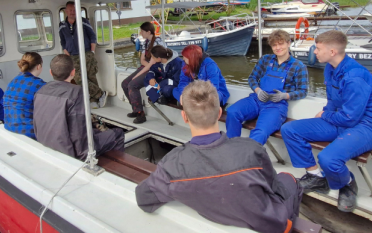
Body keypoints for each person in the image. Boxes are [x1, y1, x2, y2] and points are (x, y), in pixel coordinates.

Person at [135, 80, 302, 232]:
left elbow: (143, 198)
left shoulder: (171, 165)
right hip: (272, 225)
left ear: (184, 117)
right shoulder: (252, 150)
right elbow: (274, 190)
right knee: (288, 178)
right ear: (219, 112)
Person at [281, 30, 372, 212]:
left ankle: (347, 183)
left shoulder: (355, 77)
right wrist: (327, 112)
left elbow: (350, 117)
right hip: (341, 120)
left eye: (318, 48)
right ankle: (315, 176)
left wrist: (324, 115)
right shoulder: (330, 69)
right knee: (290, 129)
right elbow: (332, 101)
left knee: (328, 158)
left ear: (332, 52)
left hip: (367, 126)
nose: (314, 52)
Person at [33, 54, 124, 160]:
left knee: (96, 132)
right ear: (73, 72)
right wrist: (83, 155)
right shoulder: (76, 92)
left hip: (46, 144)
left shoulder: (41, 91)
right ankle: (114, 170)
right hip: (69, 152)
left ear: (51, 72)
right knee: (118, 133)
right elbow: (78, 130)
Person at [225, 30, 308, 145]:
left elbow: (303, 91)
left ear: (288, 43)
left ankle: (249, 157)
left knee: (261, 131)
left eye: (281, 44)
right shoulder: (265, 59)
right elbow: (252, 78)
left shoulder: (298, 66)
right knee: (232, 111)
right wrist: (258, 90)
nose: (278, 47)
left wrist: (284, 95)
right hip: (256, 99)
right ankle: (231, 146)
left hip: (276, 105)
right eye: (274, 45)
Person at [59, 1, 106, 109]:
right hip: (73, 56)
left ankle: (93, 100)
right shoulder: (62, 25)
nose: (72, 12)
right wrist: (67, 54)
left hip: (86, 53)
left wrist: (92, 52)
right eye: (70, 10)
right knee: (78, 79)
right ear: (66, 11)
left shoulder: (84, 22)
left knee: (91, 76)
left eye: (75, 10)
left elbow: (92, 37)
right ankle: (100, 94)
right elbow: (63, 41)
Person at [122, 22, 166, 124]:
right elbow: (142, 60)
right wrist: (146, 65)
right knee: (124, 84)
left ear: (148, 32)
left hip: (155, 71)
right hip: (147, 67)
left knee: (132, 85)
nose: (140, 33)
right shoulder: (145, 42)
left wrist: (137, 75)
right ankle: (135, 108)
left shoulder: (158, 43)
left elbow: (153, 64)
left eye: (142, 31)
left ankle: (141, 115)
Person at [3, 52, 46, 139]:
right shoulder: (40, 84)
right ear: (39, 66)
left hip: (8, 126)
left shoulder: (12, 81)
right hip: (29, 131)